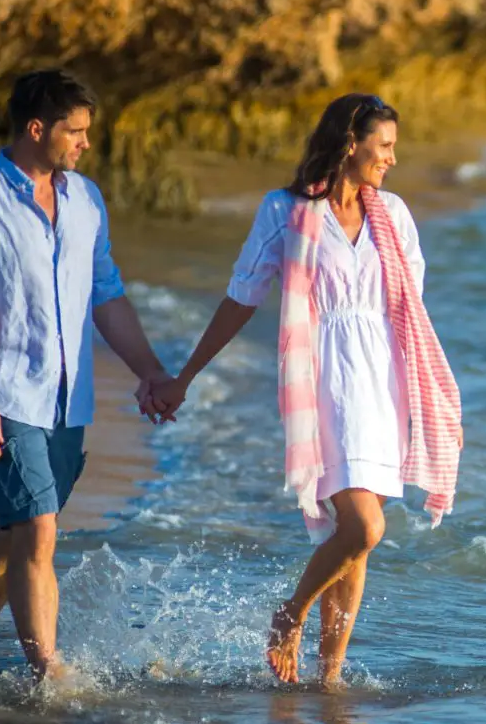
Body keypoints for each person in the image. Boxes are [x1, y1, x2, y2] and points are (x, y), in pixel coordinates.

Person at [143, 93, 463, 687]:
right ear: (350, 142)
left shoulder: (393, 215)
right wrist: (184, 377)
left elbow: (411, 315)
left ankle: (329, 679)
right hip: (325, 382)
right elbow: (242, 297)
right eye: (384, 145)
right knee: (363, 527)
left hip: (383, 383)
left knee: (357, 544)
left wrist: (433, 401)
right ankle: (289, 615)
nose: (393, 158)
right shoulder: (285, 211)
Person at [0, 69, 175, 688]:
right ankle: (51, 673)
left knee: (21, 531)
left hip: (68, 402)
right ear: (37, 129)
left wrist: (148, 370)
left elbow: (107, 295)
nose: (86, 143)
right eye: (77, 131)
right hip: (5, 395)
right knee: (39, 530)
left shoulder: (86, 200)